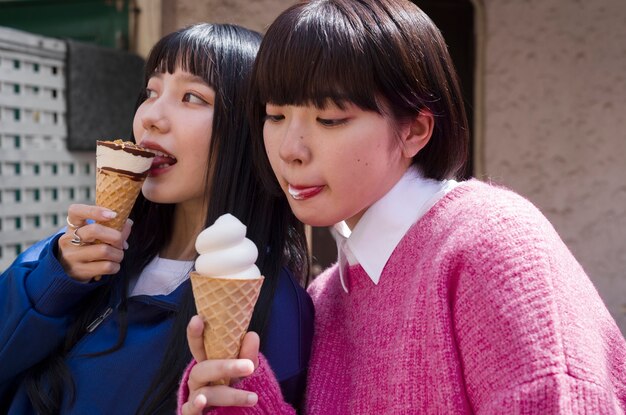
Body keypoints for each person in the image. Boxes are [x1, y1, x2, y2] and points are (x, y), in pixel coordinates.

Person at [177, 1, 626, 414]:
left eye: (330, 119)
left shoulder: (492, 241)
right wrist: (239, 400)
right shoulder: (327, 294)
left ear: (414, 130)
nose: (290, 149)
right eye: (275, 116)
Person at [0, 23, 313, 414]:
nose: (151, 116)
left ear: (248, 130)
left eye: (192, 97)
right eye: (151, 91)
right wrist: (55, 280)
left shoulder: (271, 307)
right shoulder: (76, 255)